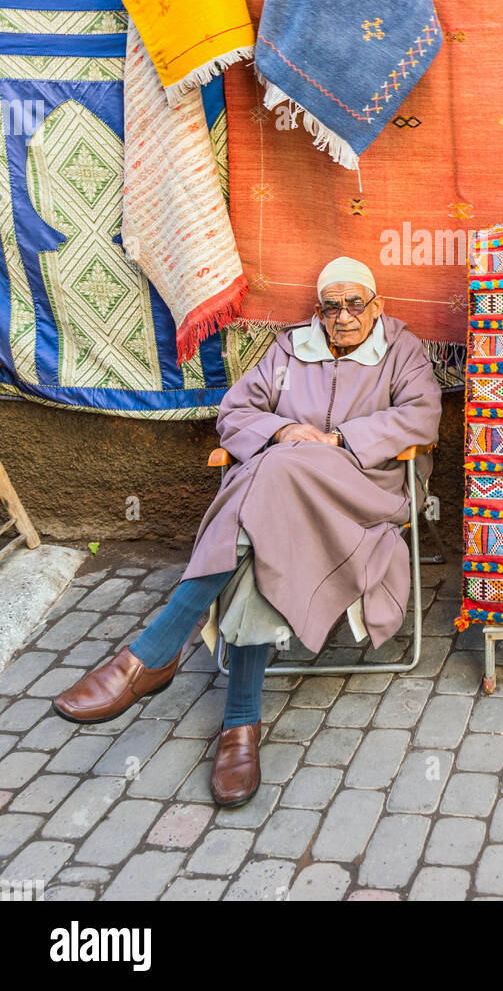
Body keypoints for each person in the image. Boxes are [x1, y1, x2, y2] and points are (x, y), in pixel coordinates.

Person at [52, 257, 442, 807]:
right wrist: (283, 428)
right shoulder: (290, 349)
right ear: (319, 311)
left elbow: (422, 418)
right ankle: (240, 724)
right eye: (332, 306)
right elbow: (237, 409)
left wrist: (336, 442)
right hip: (283, 499)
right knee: (265, 519)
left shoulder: (402, 350)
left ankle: (153, 652)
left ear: (376, 306)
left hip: (362, 492)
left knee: (272, 470)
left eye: (356, 304)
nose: (344, 317)